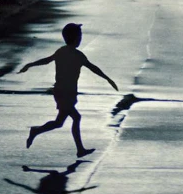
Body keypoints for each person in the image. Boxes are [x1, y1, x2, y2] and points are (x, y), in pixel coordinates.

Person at [19, 23, 118, 158]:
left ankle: (36, 131)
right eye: (80, 36)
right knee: (76, 117)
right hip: (63, 93)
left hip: (65, 92)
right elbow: (92, 68)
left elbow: (47, 60)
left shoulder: (64, 52)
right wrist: (107, 79)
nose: (81, 38)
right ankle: (80, 149)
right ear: (74, 37)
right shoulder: (76, 55)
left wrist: (30, 65)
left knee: (59, 123)